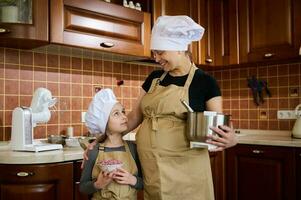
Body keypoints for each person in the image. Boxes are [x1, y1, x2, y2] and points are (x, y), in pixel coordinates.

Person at [84, 15, 237, 200]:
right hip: (152, 168)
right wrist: (99, 141)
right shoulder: (154, 78)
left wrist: (230, 139)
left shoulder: (205, 82)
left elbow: (217, 126)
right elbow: (134, 117)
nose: (156, 58)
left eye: (160, 52)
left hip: (186, 171)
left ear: (179, 49)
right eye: (154, 53)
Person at [80, 88, 143, 200]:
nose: (124, 116)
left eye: (123, 111)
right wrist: (98, 184)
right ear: (104, 122)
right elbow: (83, 187)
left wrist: (133, 180)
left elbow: (146, 183)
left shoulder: (133, 148)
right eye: (116, 114)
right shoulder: (94, 151)